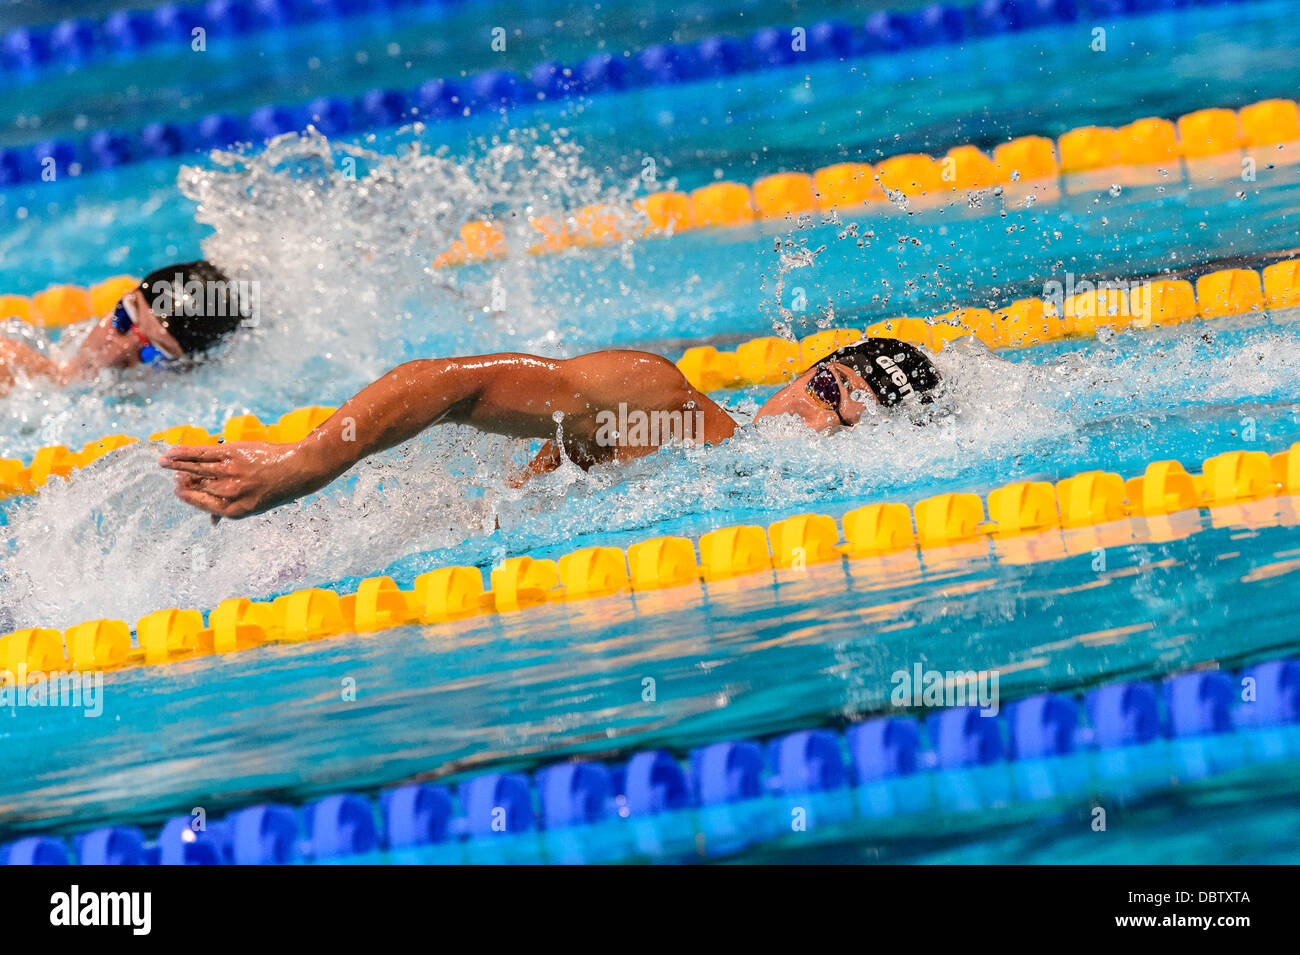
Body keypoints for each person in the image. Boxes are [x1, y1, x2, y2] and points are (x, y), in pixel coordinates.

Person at [161, 336, 942, 519]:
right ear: (797, 374)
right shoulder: (667, 406)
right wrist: (304, 464)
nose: (816, 420)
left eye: (848, 423)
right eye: (827, 387)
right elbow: (450, 386)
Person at [0, 260, 247, 394]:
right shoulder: (10, 365)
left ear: (188, 368)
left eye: (151, 351)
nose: (114, 353)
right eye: (123, 319)